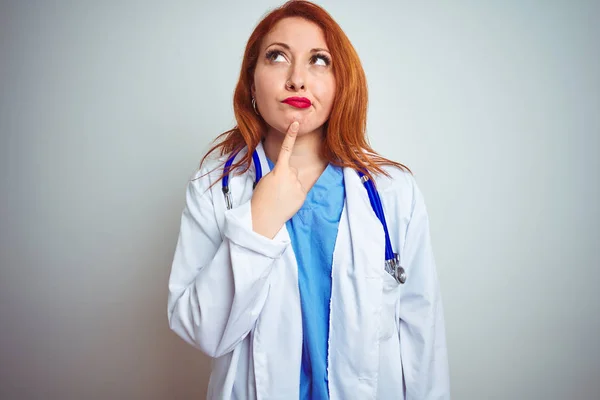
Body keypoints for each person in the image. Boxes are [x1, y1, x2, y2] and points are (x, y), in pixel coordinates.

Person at [167, 1, 450, 398]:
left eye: (319, 61)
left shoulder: (392, 192)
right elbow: (202, 331)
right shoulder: (216, 187)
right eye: (277, 56)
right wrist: (259, 220)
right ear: (251, 82)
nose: (297, 79)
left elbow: (423, 336)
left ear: (340, 83)